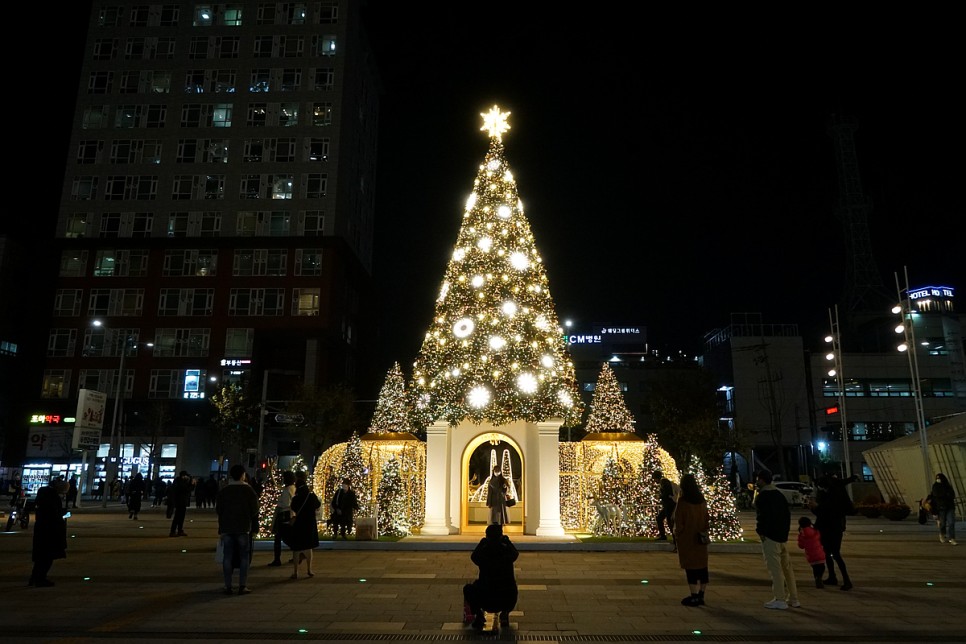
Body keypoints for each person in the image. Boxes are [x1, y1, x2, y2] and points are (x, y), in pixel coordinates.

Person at [754, 470, 800, 609]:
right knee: (787, 568)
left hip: (770, 536)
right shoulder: (779, 495)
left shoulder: (763, 496)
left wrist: (761, 532)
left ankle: (780, 598)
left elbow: (763, 517)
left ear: (762, 480)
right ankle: (793, 598)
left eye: (757, 479)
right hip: (782, 536)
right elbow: (787, 515)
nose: (756, 482)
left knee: (775, 569)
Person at [463, 523, 519, 631]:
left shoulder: (484, 552)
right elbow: (515, 554)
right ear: (501, 536)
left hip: (485, 599)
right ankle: (505, 613)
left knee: (468, 588)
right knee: (512, 587)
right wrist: (507, 541)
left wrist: (482, 543)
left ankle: (479, 615)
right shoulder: (506, 552)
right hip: (504, 599)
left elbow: (474, 557)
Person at [215, 464, 259, 595]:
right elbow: (255, 509)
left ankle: (227, 585)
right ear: (242, 475)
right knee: (244, 556)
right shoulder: (249, 490)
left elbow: (219, 510)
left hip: (227, 527)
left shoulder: (225, 491)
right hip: (243, 527)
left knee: (227, 556)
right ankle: (242, 585)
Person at [673, 473, 710, 607]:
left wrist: (677, 534)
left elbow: (679, 521)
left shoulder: (683, 502)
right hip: (700, 538)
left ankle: (694, 595)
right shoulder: (701, 500)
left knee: (691, 568)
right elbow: (706, 519)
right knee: (702, 567)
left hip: (688, 539)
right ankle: (701, 594)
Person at [809, 477, 853, 590]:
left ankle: (846, 580)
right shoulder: (837, 496)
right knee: (828, 554)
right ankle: (832, 576)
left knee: (835, 554)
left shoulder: (830, 498)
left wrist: (814, 507)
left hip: (830, 530)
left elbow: (823, 513)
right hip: (835, 529)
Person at [29, 477, 69, 587]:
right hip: (51, 531)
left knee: (41, 557)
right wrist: (63, 514)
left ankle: (35, 578)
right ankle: (40, 578)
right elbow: (54, 514)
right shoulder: (52, 498)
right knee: (47, 557)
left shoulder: (44, 496)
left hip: (42, 529)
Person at [285, 471, 322, 579]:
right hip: (309, 524)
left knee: (297, 549)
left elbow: (294, 508)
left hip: (299, 524)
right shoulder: (310, 496)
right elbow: (317, 505)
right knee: (308, 547)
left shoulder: (296, 498)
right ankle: (309, 569)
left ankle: (296, 571)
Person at [268, 470, 297, 566]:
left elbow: (285, 503)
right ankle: (297, 553)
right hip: (291, 514)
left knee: (279, 536)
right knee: (288, 536)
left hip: (284, 514)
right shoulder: (293, 488)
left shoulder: (287, 490)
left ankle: (277, 559)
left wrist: (278, 505)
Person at [796, 516, 826, 588]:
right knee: (822, 567)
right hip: (819, 553)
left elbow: (801, 546)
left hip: (810, 555)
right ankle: (819, 577)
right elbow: (820, 538)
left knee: (815, 568)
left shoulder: (801, 534)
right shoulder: (815, 531)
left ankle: (816, 578)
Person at [928, 472, 957, 545]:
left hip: (950, 507)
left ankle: (952, 538)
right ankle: (942, 534)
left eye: (939, 478)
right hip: (941, 507)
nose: (938, 479)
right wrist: (945, 495)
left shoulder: (947, 486)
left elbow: (952, 495)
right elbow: (937, 495)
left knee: (951, 523)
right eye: (937, 478)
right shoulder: (935, 486)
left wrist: (944, 495)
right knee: (943, 523)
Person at [653, 470, 677, 541]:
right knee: (660, 518)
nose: (655, 481)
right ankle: (664, 536)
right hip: (668, 504)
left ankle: (673, 537)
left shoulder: (664, 482)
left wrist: (660, 496)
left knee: (669, 521)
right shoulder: (664, 482)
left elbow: (667, 493)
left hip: (669, 504)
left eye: (654, 479)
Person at [168, 470, 193, 536]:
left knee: (181, 517)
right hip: (180, 501)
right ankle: (173, 531)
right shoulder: (179, 482)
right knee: (177, 517)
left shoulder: (180, 481)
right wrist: (191, 484)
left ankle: (179, 530)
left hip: (182, 501)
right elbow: (185, 489)